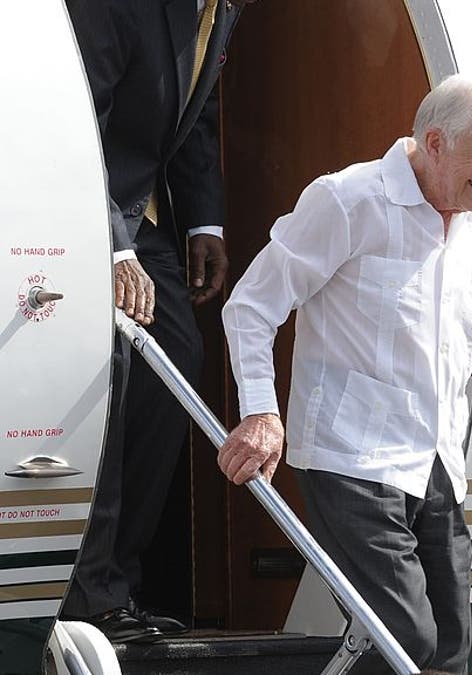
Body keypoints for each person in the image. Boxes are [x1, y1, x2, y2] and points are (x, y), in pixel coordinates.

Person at [218, 75, 472, 674]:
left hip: (438, 461)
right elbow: (253, 306)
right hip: (351, 456)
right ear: (435, 142)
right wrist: (261, 412)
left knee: (451, 648)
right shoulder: (347, 200)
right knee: (403, 642)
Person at [61, 0, 255, 644]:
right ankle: (87, 591)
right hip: (76, 204)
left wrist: (205, 221)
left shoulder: (221, 10)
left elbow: (193, 117)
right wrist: (113, 247)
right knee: (113, 373)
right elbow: (78, 120)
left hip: (142, 213)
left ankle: (116, 579)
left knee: (175, 357)